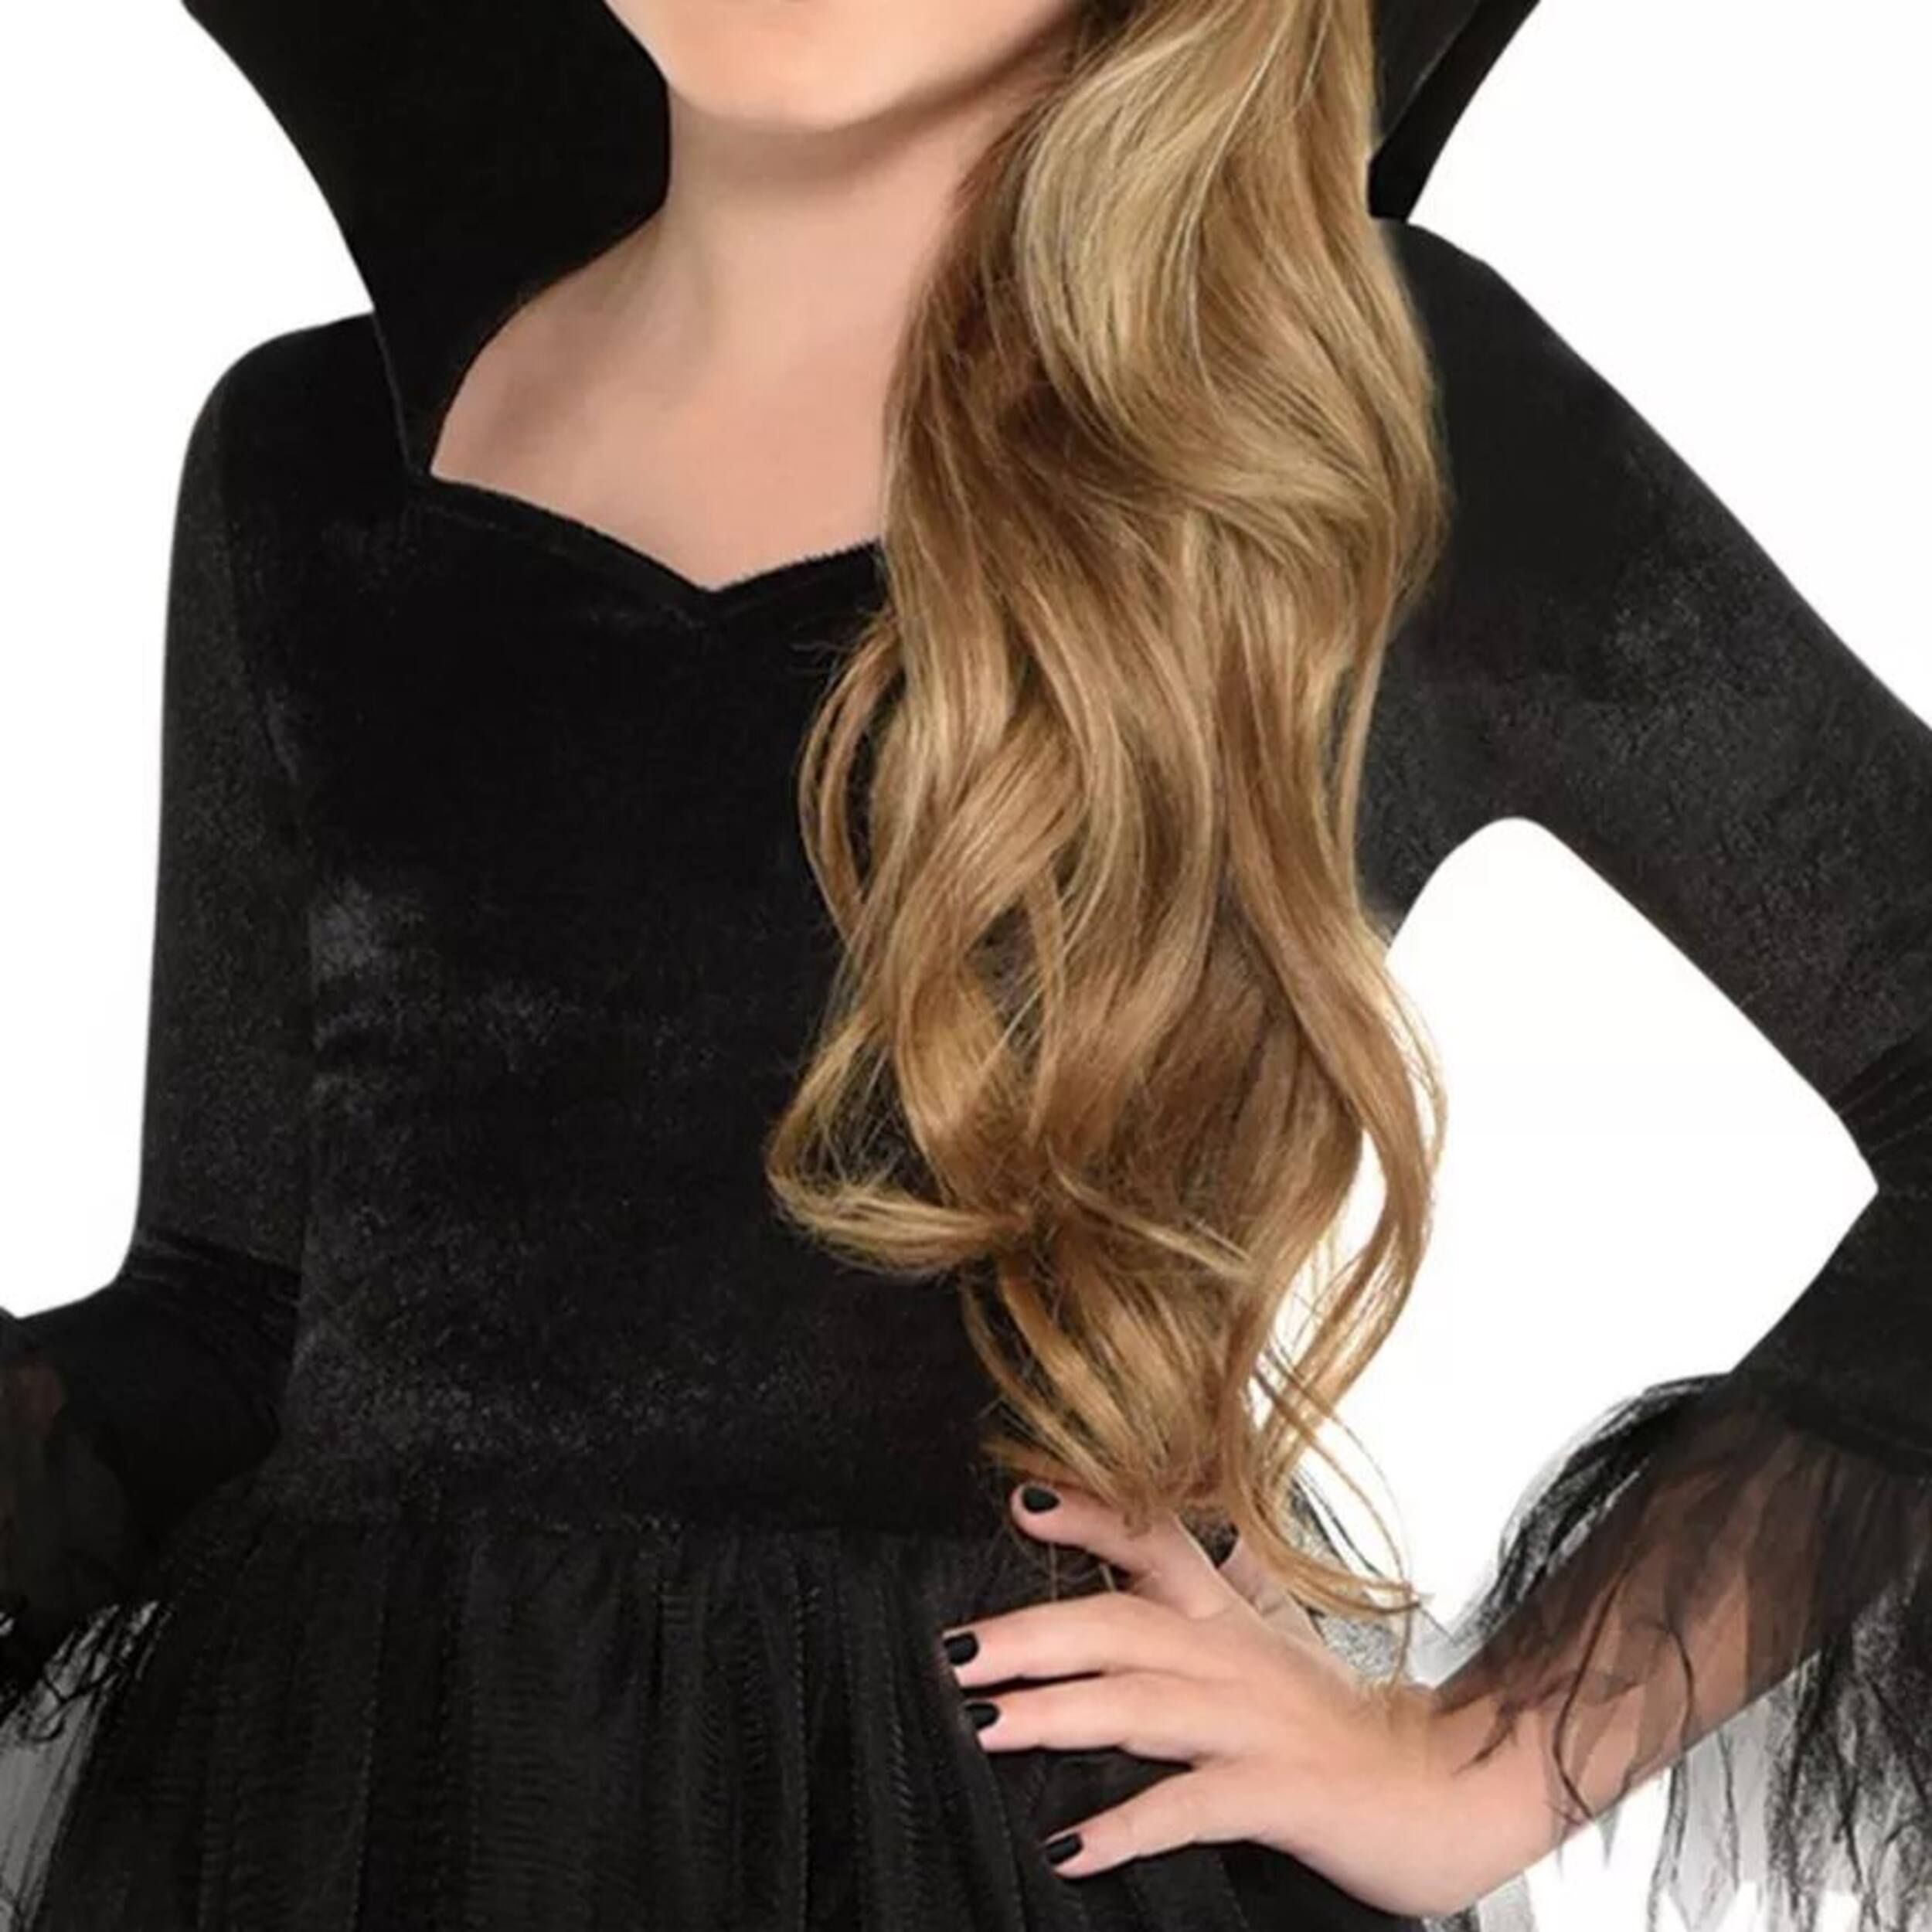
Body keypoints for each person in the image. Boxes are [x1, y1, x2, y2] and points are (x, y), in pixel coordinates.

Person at [2, 2, 1927, 1927]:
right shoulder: (310, 462)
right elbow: (240, 1307)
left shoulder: (1342, 427)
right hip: (357, 1819)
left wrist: (1485, 1765)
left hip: (996, 1838)